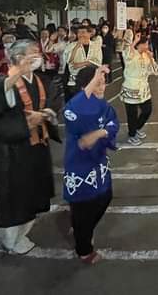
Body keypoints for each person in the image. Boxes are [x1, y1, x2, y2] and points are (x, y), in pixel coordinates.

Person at [0, 39, 62, 254]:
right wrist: (27, 121)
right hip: (15, 150)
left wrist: (46, 114)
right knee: (16, 194)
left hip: (38, 145)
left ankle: (19, 228)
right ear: (17, 57)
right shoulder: (3, 84)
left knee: (35, 191)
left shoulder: (41, 80)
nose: (37, 56)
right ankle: (11, 238)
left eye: (37, 52)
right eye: (32, 53)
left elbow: (54, 101)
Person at [62, 65, 119, 264]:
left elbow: (112, 124)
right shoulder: (74, 106)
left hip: (98, 162)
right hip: (79, 164)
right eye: (97, 84)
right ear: (84, 86)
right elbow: (72, 112)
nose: (102, 87)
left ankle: (82, 230)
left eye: (103, 83)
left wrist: (98, 133)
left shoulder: (104, 106)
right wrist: (94, 79)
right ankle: (83, 248)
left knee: (105, 196)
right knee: (81, 204)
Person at [120, 31, 158, 146]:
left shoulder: (146, 55)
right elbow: (126, 54)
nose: (147, 47)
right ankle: (132, 135)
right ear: (139, 45)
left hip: (143, 88)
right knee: (131, 114)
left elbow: (154, 71)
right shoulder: (132, 53)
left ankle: (136, 128)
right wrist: (135, 41)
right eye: (145, 44)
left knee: (147, 110)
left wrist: (151, 58)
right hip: (131, 87)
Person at [64, 25, 103, 100]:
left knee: (90, 103)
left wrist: (84, 63)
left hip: (91, 79)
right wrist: (76, 47)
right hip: (75, 79)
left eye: (83, 32)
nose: (81, 35)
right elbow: (69, 61)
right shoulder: (71, 45)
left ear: (90, 34)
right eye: (79, 33)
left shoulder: (96, 45)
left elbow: (98, 62)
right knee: (76, 101)